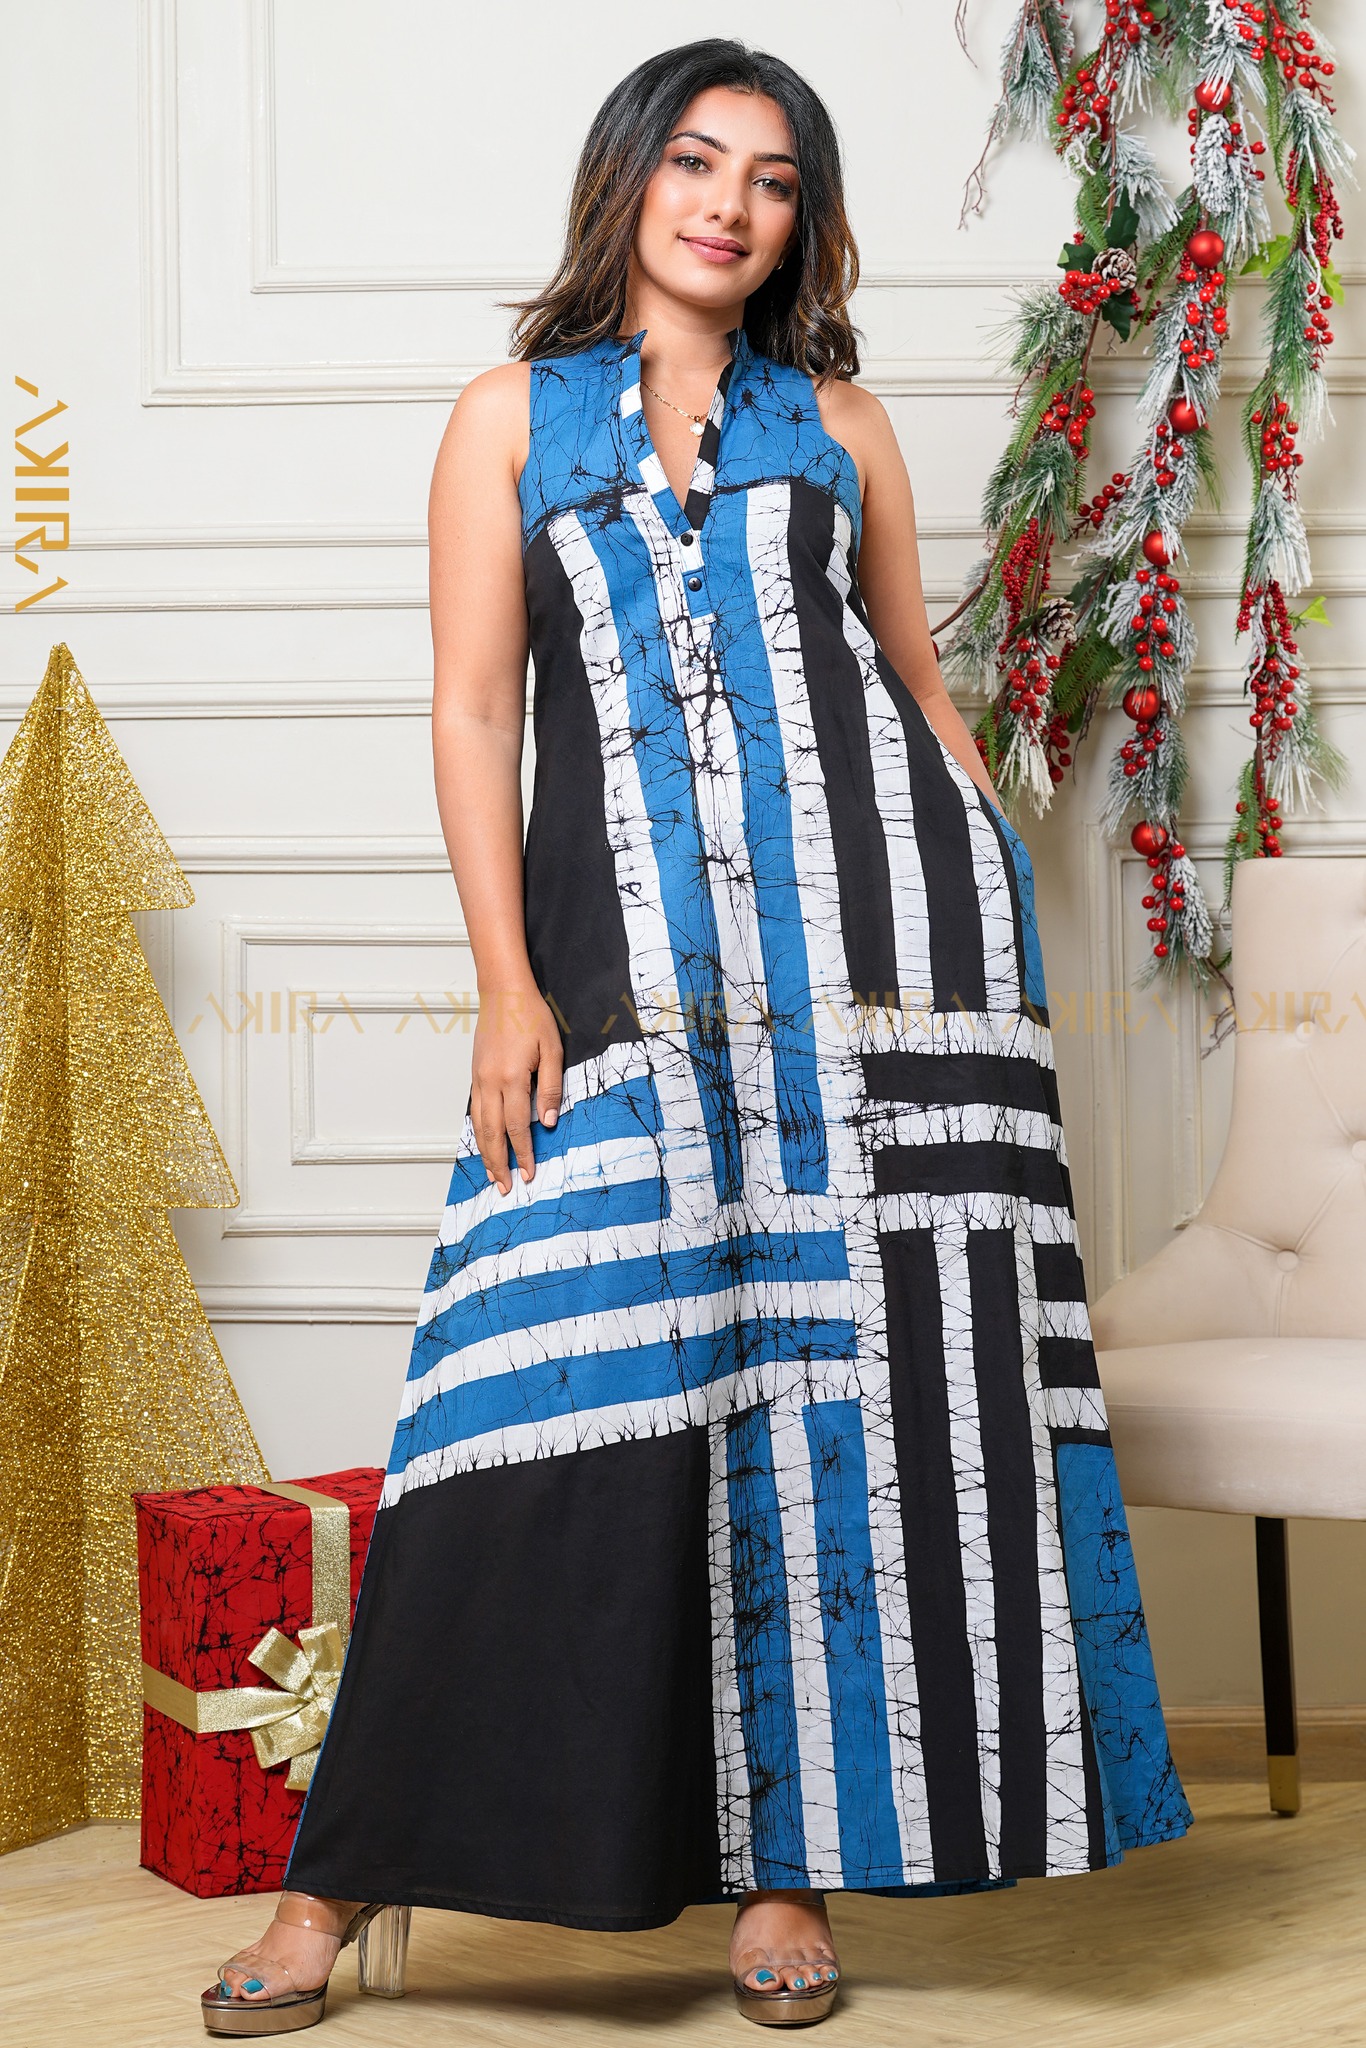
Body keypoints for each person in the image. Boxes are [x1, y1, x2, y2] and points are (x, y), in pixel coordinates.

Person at [202, 37, 1193, 2036]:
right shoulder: (511, 415)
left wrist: (992, 894)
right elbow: (474, 709)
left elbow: (913, 689)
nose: (728, 204)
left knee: (837, 1404)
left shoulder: (840, 427)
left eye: (770, 178)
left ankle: (786, 1876)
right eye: (694, 161)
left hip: (882, 984)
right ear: (627, 181)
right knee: (511, 1386)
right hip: (621, 979)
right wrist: (507, 982)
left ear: (801, 220)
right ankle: (340, 1875)